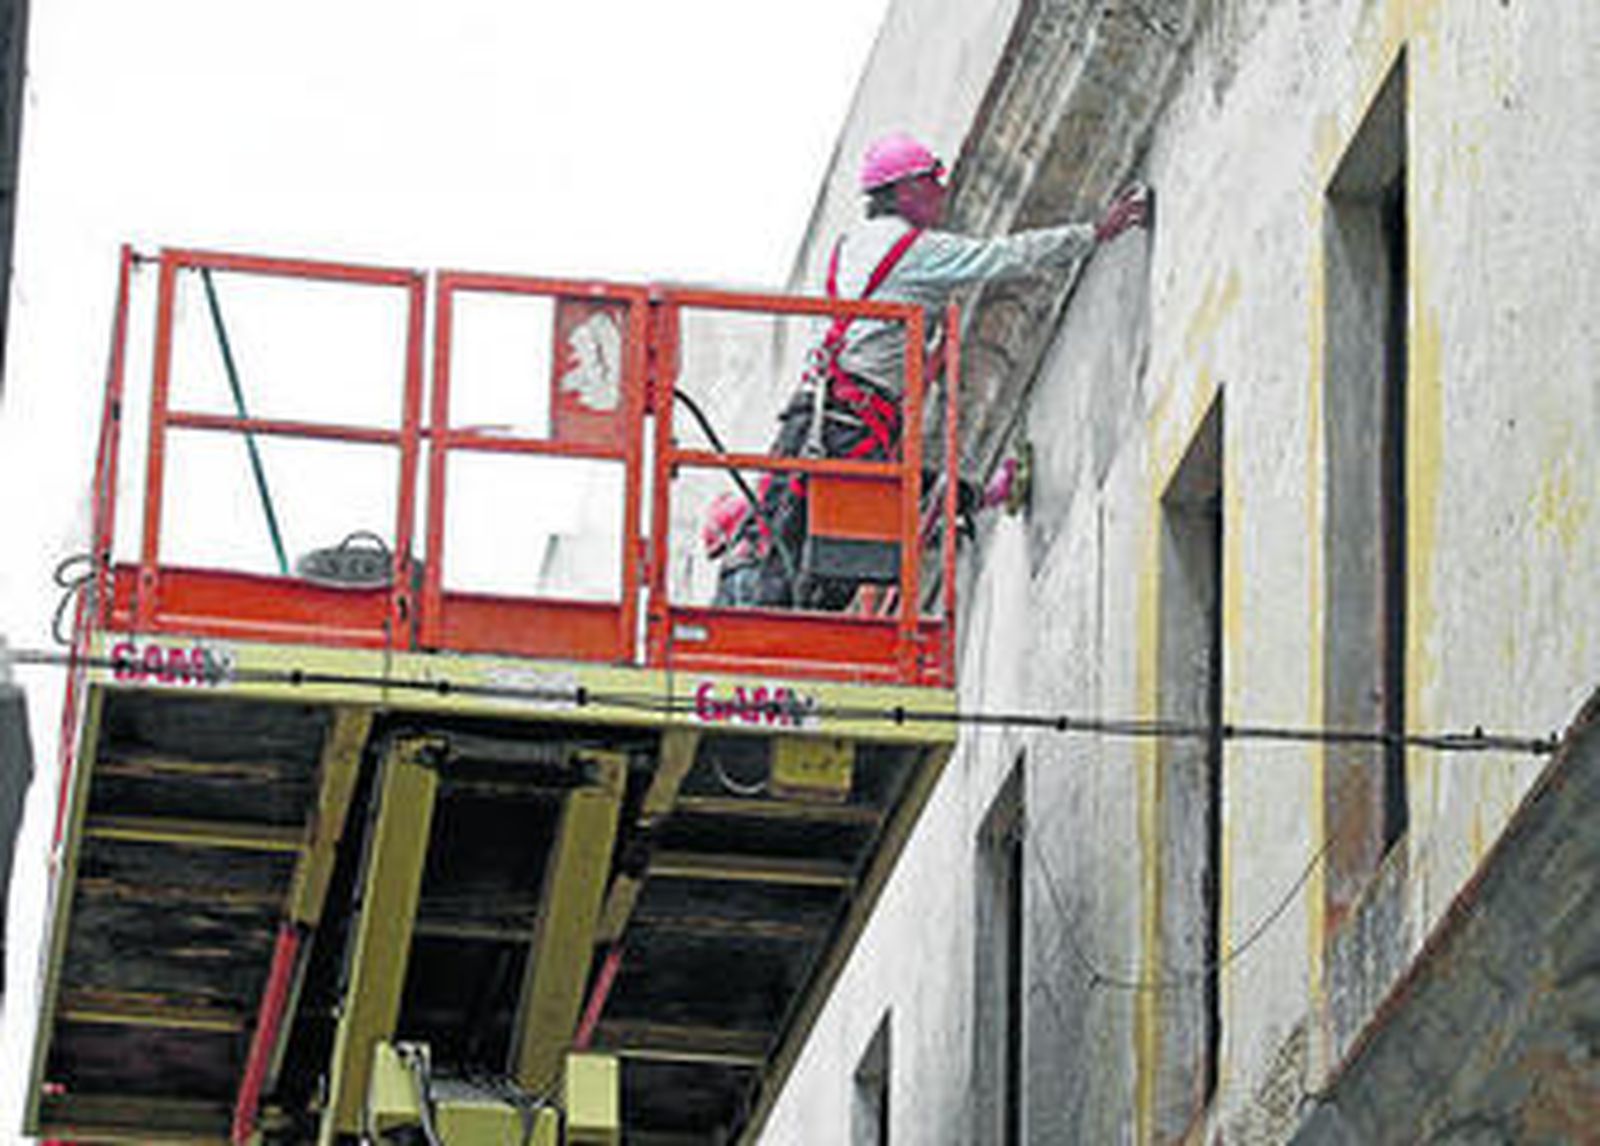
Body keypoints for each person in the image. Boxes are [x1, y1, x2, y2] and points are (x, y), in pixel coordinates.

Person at [710, 131, 1149, 608]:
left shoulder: (847, 246)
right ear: (905, 191)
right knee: (860, 526)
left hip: (816, 417)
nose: (943, 192)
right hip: (849, 423)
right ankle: (983, 496)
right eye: (932, 182)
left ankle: (753, 601)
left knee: (789, 529)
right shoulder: (917, 251)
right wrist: (1092, 233)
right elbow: (1004, 257)